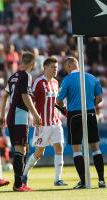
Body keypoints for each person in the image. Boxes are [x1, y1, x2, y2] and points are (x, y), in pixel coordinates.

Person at [56, 57, 105, 189]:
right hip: (90, 112)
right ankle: (101, 180)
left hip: (74, 114)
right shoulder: (92, 77)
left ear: (69, 66)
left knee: (77, 149)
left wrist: (65, 110)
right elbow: (99, 98)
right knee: (95, 147)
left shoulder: (67, 80)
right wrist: (89, 105)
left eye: (65, 66)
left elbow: (58, 101)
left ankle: (83, 181)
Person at [0, 52, 42, 192]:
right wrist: (35, 114)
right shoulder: (26, 76)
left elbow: (4, 95)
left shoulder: (13, 77)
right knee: (20, 149)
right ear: (33, 64)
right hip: (19, 115)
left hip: (12, 115)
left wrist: (2, 115)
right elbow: (25, 96)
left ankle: (20, 184)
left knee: (22, 149)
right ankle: (18, 185)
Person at [22, 57, 67, 187]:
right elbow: (31, 100)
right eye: (53, 67)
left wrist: (65, 111)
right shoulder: (38, 82)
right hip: (42, 124)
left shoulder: (56, 83)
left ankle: (58, 179)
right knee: (39, 152)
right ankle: (24, 174)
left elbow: (56, 103)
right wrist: (33, 116)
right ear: (45, 68)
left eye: (57, 68)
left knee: (59, 148)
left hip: (55, 122)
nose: (55, 70)